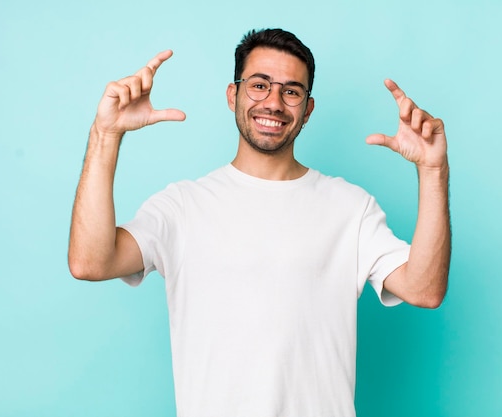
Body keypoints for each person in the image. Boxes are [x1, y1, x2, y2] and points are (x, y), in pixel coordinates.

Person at [68, 28, 450, 417]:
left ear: (308, 109)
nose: (273, 102)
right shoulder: (182, 206)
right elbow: (91, 263)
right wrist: (106, 133)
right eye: (259, 85)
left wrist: (433, 170)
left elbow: (424, 290)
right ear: (233, 95)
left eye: (291, 91)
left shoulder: (350, 207)